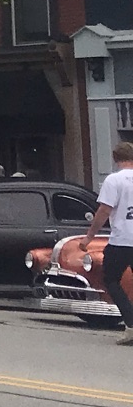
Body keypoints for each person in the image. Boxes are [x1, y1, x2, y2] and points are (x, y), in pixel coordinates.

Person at [83, 142, 133, 342]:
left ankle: (130, 321)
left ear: (115, 158)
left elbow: (104, 210)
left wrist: (89, 237)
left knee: (111, 279)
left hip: (122, 239)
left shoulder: (113, 180)